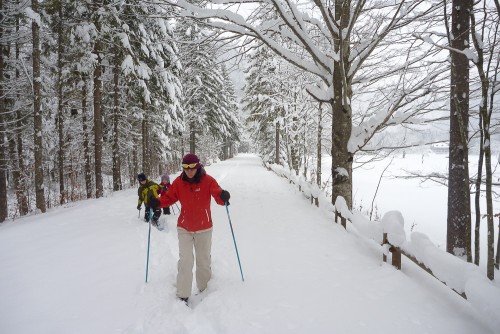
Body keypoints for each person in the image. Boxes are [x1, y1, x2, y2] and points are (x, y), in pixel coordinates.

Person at [150, 153, 230, 304]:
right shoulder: (179, 182)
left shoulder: (208, 180)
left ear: (198, 166)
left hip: (204, 228)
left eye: (192, 168)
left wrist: (223, 196)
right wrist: (157, 203)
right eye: (186, 168)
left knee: (203, 261)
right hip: (185, 228)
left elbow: (217, 194)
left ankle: (205, 289)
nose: (189, 171)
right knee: (185, 261)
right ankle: (182, 294)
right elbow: (169, 198)